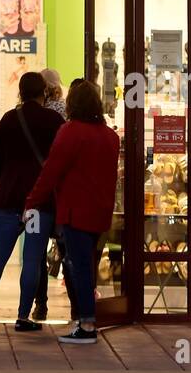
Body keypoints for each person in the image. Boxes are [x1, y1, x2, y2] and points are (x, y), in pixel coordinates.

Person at [25, 80, 120, 344]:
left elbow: (51, 172)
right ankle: (83, 319)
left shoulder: (70, 132)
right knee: (85, 266)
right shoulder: (111, 137)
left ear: (72, 104)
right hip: (101, 211)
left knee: (79, 268)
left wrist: (32, 201)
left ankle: (87, 323)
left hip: (76, 210)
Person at [0, 70, 64, 332]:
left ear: (20, 93)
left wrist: (7, 181)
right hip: (38, 201)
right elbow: (59, 159)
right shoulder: (53, 120)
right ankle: (23, 317)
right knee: (33, 258)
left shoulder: (9, 120)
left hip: (9, 198)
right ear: (44, 93)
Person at [31, 69, 75, 321]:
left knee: (36, 250)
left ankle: (40, 305)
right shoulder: (65, 112)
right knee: (65, 247)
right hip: (61, 189)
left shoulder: (30, 113)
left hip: (38, 187)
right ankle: (75, 305)